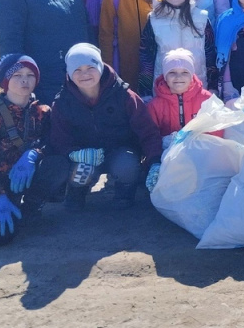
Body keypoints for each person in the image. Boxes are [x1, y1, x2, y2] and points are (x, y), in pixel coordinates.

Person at [49, 43, 162, 209]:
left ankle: (125, 191)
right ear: (69, 73)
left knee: (127, 165)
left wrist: (154, 161)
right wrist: (74, 154)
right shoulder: (62, 103)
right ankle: (77, 191)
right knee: (82, 169)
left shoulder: (124, 96)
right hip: (86, 157)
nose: (85, 74)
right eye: (77, 69)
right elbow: (58, 139)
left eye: (90, 67)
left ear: (100, 66)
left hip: (120, 152)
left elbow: (147, 131)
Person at [0, 55, 67, 245]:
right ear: (5, 80)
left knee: (59, 163)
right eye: (17, 75)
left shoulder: (43, 112)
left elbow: (53, 144)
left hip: (29, 175)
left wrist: (33, 154)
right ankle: (3, 206)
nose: (24, 80)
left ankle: (31, 207)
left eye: (30, 75)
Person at [138, 0, 217, 98]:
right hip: (165, 90)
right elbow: (146, 57)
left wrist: (213, 86)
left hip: (197, 89)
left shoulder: (201, 18)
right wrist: (145, 92)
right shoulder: (154, 20)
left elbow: (210, 54)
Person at [146, 48, 220, 146]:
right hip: (167, 154)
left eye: (185, 72)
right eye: (172, 72)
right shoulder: (155, 106)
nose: (178, 77)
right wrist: (163, 141)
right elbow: (150, 135)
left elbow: (216, 129)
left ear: (191, 75)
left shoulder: (206, 99)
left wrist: (200, 141)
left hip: (202, 152)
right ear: (165, 76)